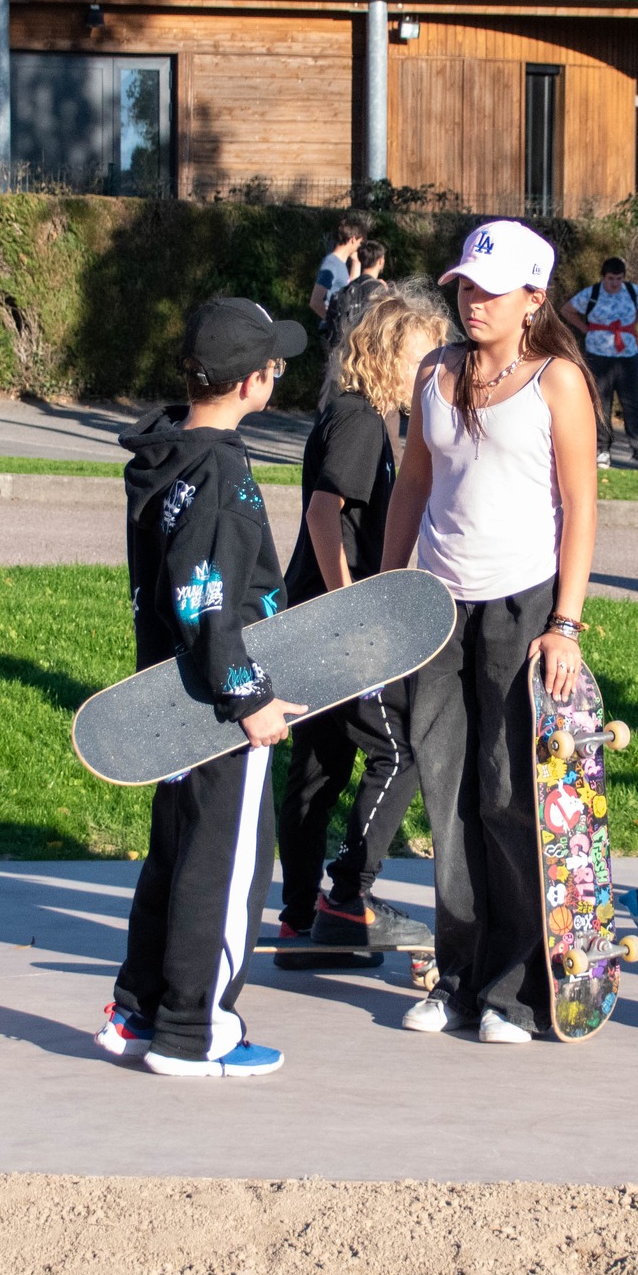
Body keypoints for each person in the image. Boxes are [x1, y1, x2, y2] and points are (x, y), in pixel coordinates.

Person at [380, 220, 600, 1045]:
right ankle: (459, 977)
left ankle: (514, 989)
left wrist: (566, 624)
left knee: (510, 797)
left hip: (523, 606)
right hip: (439, 606)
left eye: (492, 289)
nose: (473, 301)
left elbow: (580, 507)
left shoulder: (557, 382)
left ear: (533, 298)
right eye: (466, 286)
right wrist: (386, 596)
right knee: (449, 797)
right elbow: (414, 485)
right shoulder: (434, 374)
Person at [96, 296, 311, 1078]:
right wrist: (247, 696)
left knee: (176, 852)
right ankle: (196, 1028)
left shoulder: (169, 454)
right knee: (225, 866)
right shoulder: (221, 470)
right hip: (219, 705)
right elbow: (208, 594)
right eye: (275, 366)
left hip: (168, 698)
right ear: (255, 381)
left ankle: (139, 1010)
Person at [275, 281, 453, 963]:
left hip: (314, 615)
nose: (431, 373)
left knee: (320, 764)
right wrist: (352, 605)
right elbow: (325, 514)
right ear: (382, 356)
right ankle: (347, 895)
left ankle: (298, 918)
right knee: (400, 748)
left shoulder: (360, 417)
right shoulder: (358, 419)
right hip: (336, 622)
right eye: (421, 361)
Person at [564, 256, 638, 470]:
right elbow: (567, 310)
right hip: (598, 354)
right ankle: (602, 449)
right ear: (604, 277)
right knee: (601, 403)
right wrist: (587, 329)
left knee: (631, 402)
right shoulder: (592, 293)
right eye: (611, 278)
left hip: (627, 355)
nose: (615, 283)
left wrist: (628, 327)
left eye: (619, 279)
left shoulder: (632, 292)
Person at [321, 236, 391, 354]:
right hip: (365, 353)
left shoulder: (348, 287)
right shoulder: (379, 290)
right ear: (380, 261)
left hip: (342, 351)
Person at [310, 213, 371, 325]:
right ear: (353, 239)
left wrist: (356, 262)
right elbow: (315, 301)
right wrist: (335, 324)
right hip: (332, 335)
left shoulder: (340, 264)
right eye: (360, 243)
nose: (360, 247)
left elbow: (352, 290)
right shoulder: (332, 263)